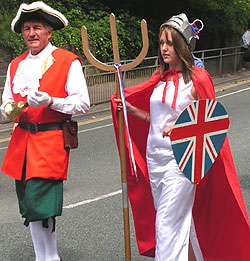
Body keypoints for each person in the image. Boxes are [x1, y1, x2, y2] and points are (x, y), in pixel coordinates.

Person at [111, 13, 250, 260]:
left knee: (166, 225)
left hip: (182, 163)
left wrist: (180, 126)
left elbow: (211, 122)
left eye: (170, 43)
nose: (164, 48)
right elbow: (156, 121)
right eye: (161, 43)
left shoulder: (198, 79)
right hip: (155, 160)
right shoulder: (159, 80)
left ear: (182, 45)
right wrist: (131, 109)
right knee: (175, 225)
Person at [0, 1, 90, 261]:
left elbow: (83, 103)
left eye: (37, 27)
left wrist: (52, 101)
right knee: (29, 203)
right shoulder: (15, 65)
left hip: (50, 140)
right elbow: (6, 102)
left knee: (41, 202)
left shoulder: (67, 61)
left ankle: (49, 257)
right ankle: (45, 256)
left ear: (49, 32)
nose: (31, 33)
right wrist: (8, 111)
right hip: (21, 141)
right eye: (27, 28)